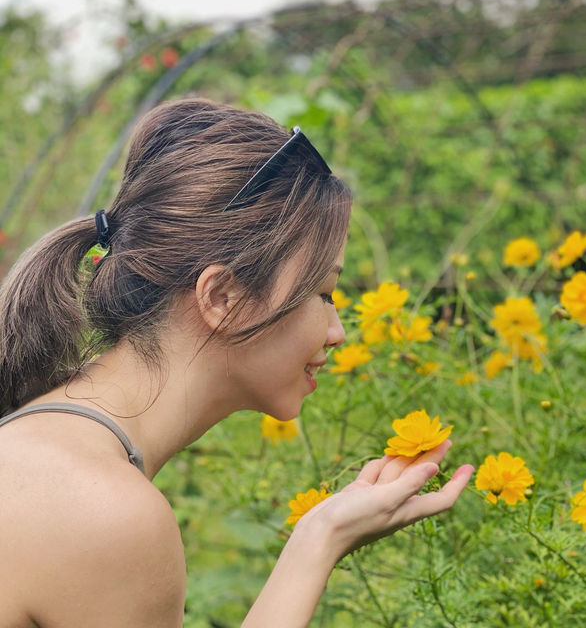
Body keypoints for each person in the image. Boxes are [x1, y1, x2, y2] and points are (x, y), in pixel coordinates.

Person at [0, 98, 474, 627]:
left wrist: (322, 535)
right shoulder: (106, 513)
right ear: (222, 296)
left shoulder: (45, 440)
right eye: (324, 293)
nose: (338, 333)